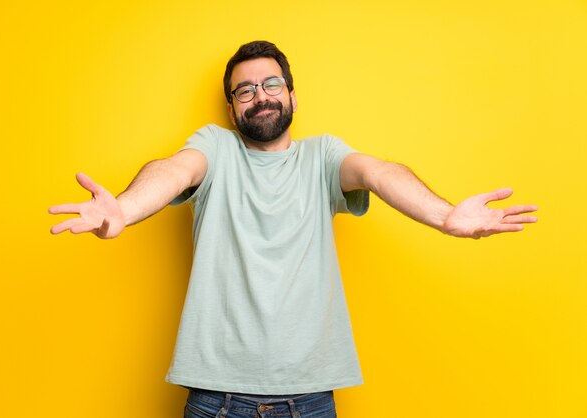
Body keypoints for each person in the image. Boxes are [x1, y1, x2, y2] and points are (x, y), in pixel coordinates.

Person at [49, 41, 538, 418]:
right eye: (245, 90)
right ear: (232, 108)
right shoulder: (215, 148)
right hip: (218, 398)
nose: (259, 96)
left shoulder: (322, 156)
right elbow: (175, 171)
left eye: (271, 84)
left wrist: (443, 215)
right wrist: (125, 210)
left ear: (291, 96)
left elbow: (377, 172)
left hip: (310, 398)